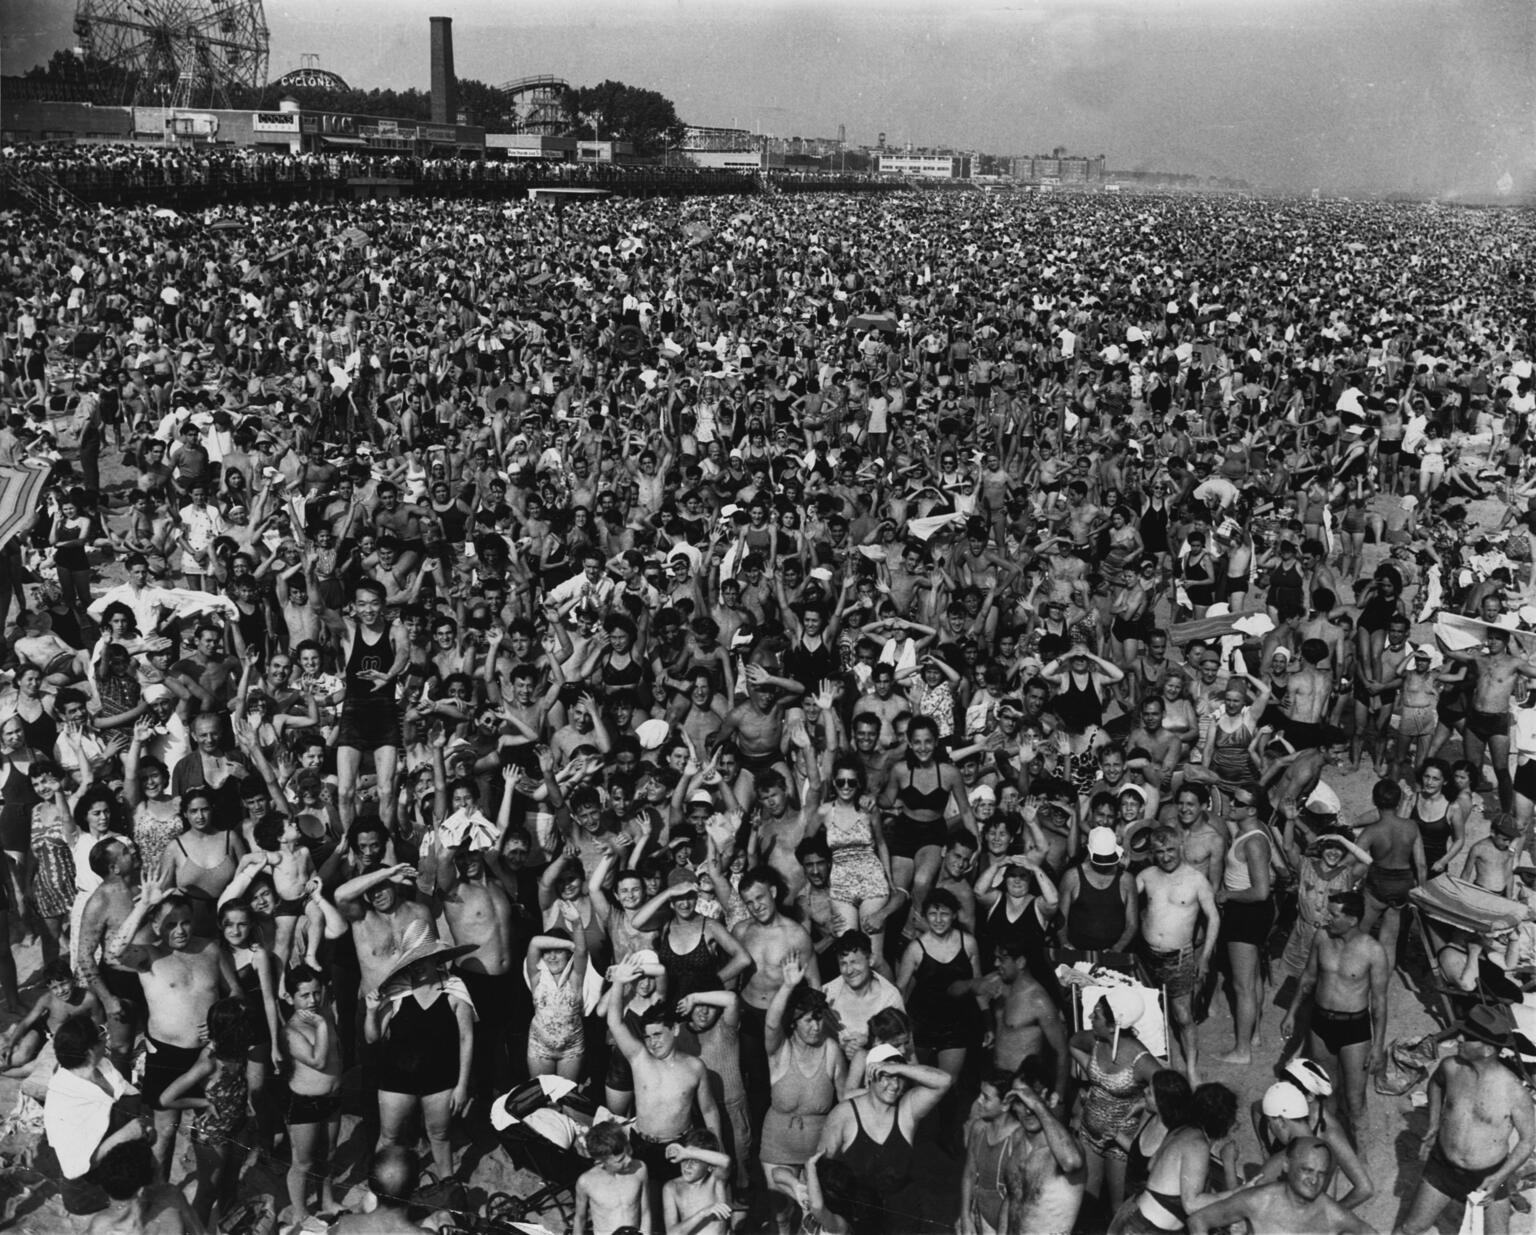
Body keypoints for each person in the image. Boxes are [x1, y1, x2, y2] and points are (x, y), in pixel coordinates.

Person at [104, 878, 239, 1174]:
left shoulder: (212, 950)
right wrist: (142, 905)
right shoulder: (148, 956)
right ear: (155, 927)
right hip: (166, 1055)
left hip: (209, 1053)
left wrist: (219, 1021)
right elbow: (112, 954)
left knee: (212, 1126)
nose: (179, 930)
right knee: (164, 1133)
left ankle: (208, 1190)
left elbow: (236, 996)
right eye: (170, 924)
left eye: (185, 922)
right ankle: (160, 1194)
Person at [1398, 1005, 1536, 1235]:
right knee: (1409, 1229)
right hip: (1442, 1167)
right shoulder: (1451, 1068)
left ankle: (1508, 1190)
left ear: (1487, 1049)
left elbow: (1527, 1142)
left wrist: (1499, 1177)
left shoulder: (1514, 1092)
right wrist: (1433, 1123)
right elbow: (1435, 1084)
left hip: (1492, 1174)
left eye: (1469, 1037)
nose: (1459, 1038)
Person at [363, 926, 477, 1184]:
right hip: (397, 1079)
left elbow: (466, 1039)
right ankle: (379, 1189)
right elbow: (372, 1038)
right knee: (389, 1137)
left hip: (440, 1079)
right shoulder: (397, 991)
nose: (416, 968)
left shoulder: (455, 989)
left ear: (436, 959)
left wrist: (461, 1085)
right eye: (411, 962)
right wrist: (371, 1012)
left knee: (439, 1135)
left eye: (421, 961)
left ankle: (447, 1189)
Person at [607, 958, 724, 1204]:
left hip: (679, 1147)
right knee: (642, 1207)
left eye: (658, 1034)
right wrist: (618, 982)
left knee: (678, 1207)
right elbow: (614, 1022)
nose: (653, 1043)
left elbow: (709, 1110)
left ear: (676, 1030)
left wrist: (715, 1149)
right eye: (648, 1037)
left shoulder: (695, 1067)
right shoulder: (639, 1059)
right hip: (641, 1146)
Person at [1282, 891, 1389, 1143]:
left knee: (1355, 1099)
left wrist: (1378, 1046)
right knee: (1325, 1091)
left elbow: (1380, 1002)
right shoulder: (1321, 938)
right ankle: (1328, 1147)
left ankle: (1361, 1159)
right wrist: (1291, 1013)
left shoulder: (1373, 951)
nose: (1327, 918)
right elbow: (1308, 978)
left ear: (1352, 920)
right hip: (1320, 1025)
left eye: (1334, 914)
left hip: (1354, 1030)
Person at [1068, 988, 1163, 1221]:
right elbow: (1073, 1043)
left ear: (1113, 1025)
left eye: (1097, 1015)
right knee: (1085, 1202)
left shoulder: (1140, 1060)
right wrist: (1092, 1074)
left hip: (1120, 1145)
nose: (1090, 1018)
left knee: (1118, 1210)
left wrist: (1142, 1105)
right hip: (1089, 1134)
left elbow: (1170, 1093)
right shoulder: (1095, 1041)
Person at [1136, 826, 1219, 1081]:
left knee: (1182, 1016)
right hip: (1147, 957)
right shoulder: (1147, 876)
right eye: (1159, 851)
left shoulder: (1196, 880)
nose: (1166, 856)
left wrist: (1203, 959)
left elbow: (1213, 919)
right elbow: (1122, 900)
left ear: (1180, 846)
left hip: (1179, 958)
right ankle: (1155, 1068)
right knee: (1148, 1014)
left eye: (1170, 850)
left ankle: (1192, 1070)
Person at [1110, 1073, 1237, 1234]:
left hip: (1132, 1216)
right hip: (1146, 1229)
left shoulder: (1179, 1129)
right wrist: (1234, 1192)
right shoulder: (1198, 1144)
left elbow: (1151, 1165)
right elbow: (1191, 1204)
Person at [1187, 1137, 1377, 1235]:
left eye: (1321, 1173)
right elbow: (1198, 1220)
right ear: (1286, 1165)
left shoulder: (1332, 1214)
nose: (1314, 1180)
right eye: (1307, 1170)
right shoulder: (1259, 1201)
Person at [83, 1139, 203, 1235]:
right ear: (142, 1190)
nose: (160, 1167)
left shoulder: (172, 1196)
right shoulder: (102, 1229)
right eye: (156, 1169)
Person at [575, 1122, 651, 1235]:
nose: (629, 1160)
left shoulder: (640, 1169)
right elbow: (580, 1219)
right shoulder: (586, 1182)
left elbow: (646, 1211)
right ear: (601, 1163)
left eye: (629, 1150)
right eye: (620, 1160)